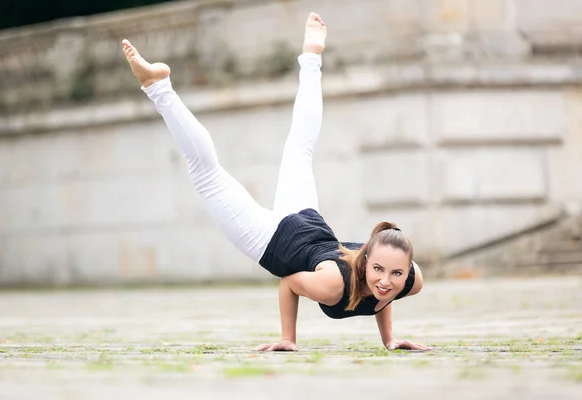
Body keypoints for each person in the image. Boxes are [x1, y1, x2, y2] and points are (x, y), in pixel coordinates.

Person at [122, 12, 430, 352]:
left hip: (307, 220)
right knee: (206, 174)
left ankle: (312, 55)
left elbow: (382, 297)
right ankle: (158, 86)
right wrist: (288, 339)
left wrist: (389, 339)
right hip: (271, 240)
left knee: (301, 147)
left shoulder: (410, 279)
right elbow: (289, 283)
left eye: (396, 274)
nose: (386, 281)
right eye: (378, 269)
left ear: (408, 273)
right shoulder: (332, 286)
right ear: (366, 258)